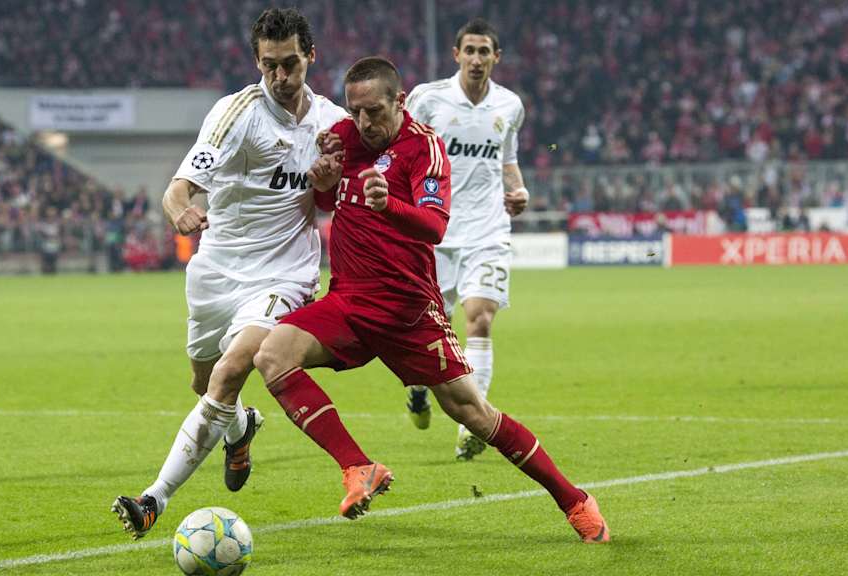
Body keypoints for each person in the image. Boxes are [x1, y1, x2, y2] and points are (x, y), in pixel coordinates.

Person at [252, 57, 609, 542]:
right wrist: (322, 181)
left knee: (471, 413)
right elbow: (326, 201)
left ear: (400, 101)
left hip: (407, 310)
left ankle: (575, 500)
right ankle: (358, 466)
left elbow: (435, 226)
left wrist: (389, 204)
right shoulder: (344, 137)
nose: (363, 122)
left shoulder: (424, 148)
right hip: (348, 302)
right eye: (355, 111)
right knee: (272, 356)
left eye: (373, 111)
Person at [111, 7, 349, 540]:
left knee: (230, 371)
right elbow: (178, 189)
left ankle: (154, 499)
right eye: (270, 66)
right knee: (204, 383)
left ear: (311, 55)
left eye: (291, 64)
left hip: (285, 274)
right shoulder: (234, 112)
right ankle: (240, 430)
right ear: (256, 61)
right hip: (217, 269)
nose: (281, 78)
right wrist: (180, 212)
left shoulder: (333, 122)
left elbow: (342, 201)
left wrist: (329, 184)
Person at [403, 18, 531, 460]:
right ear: (456, 55)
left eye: (485, 51)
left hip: (488, 230)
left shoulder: (510, 105)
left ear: (497, 57)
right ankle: (418, 388)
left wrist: (519, 190)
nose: (477, 59)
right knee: (424, 332)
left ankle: (473, 425)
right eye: (469, 50)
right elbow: (402, 151)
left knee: (480, 318)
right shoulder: (428, 98)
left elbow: (507, 160)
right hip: (433, 233)